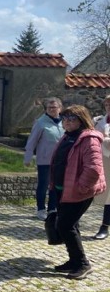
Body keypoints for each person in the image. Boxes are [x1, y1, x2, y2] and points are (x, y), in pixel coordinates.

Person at [50, 105, 105, 280]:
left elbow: (94, 169)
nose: (66, 122)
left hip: (78, 192)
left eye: (71, 119)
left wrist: (80, 188)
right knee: (70, 225)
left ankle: (83, 263)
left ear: (81, 120)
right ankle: (74, 260)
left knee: (65, 225)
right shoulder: (68, 136)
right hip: (62, 190)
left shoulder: (89, 139)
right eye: (64, 118)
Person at [24, 97, 64, 221]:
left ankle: (52, 208)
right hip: (45, 160)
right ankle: (40, 208)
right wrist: (28, 157)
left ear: (60, 108)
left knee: (56, 185)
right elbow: (32, 141)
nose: (52, 109)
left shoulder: (64, 122)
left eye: (54, 107)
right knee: (44, 184)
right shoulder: (41, 122)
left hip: (60, 160)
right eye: (49, 108)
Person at [92, 94, 110, 240]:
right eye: (107, 105)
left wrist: (105, 138)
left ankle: (104, 226)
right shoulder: (98, 121)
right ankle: (104, 226)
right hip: (102, 160)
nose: (109, 107)